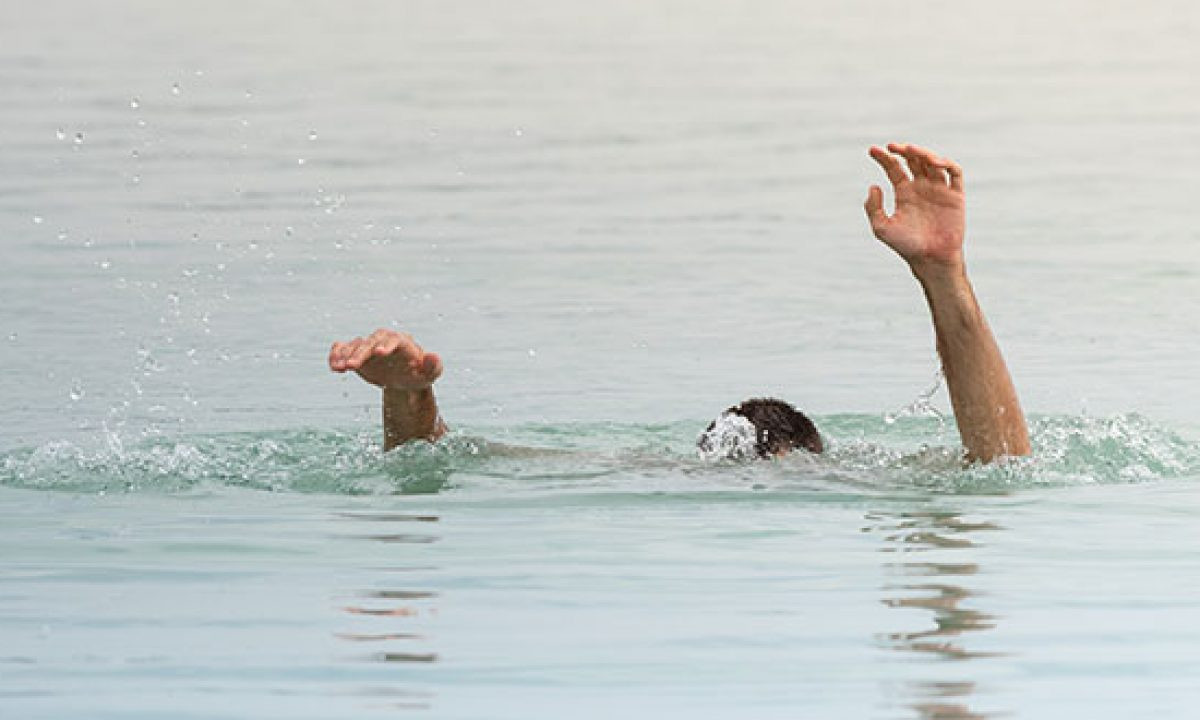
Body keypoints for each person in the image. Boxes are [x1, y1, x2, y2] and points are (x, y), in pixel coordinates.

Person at [328, 143, 1030, 464]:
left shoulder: (635, 469)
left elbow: (435, 460)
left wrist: (408, 401)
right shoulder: (851, 480)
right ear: (808, 458)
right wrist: (946, 278)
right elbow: (1001, 463)